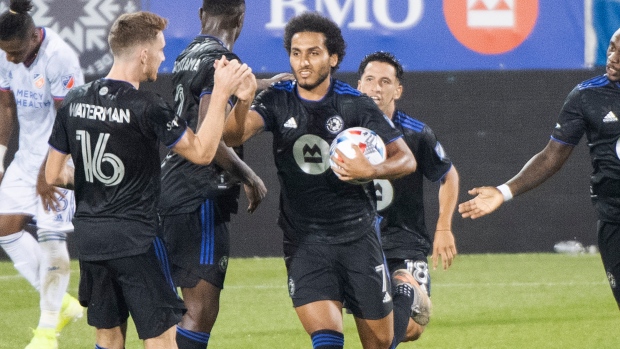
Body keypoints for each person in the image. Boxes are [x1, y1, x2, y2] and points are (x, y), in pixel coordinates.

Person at [44, 11, 253, 349]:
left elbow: (53, 174)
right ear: (143, 54)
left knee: (108, 336)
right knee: (161, 337)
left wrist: (97, 183)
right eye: (160, 49)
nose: (163, 56)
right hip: (137, 238)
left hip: (91, 237)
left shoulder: (74, 100)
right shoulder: (147, 106)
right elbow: (201, 152)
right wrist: (221, 94)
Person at [224, 11, 423, 349]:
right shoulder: (276, 99)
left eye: (313, 53)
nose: (303, 62)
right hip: (305, 242)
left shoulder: (354, 104)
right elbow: (231, 135)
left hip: (358, 238)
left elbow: (406, 159)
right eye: (296, 52)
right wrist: (242, 101)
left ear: (333, 58)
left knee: (381, 343)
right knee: (327, 340)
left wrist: (371, 170)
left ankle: (404, 291)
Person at [158, 1, 291, 347]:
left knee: (174, 311)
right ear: (241, 18)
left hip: (169, 188)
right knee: (199, 311)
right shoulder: (224, 61)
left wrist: (262, 84)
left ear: (203, 15)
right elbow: (208, 136)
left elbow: (209, 94)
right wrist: (251, 177)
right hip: (198, 193)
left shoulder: (187, 54)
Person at [458, 27, 620, 310]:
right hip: (614, 220)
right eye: (612, 48)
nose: (613, 57)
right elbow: (551, 156)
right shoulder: (587, 96)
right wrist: (504, 191)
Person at [357, 51, 459, 340]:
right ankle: (404, 291)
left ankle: (404, 284)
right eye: (370, 80)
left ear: (398, 90)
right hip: (358, 240)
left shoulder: (415, 134)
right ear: (359, 85)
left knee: (412, 329)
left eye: (385, 82)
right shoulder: (345, 129)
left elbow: (448, 175)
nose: (376, 87)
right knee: (376, 331)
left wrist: (444, 227)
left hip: (405, 241)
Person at [0, 0, 84, 347]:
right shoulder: (7, 50)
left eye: (16, 52)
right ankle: (61, 302)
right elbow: (5, 104)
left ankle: (48, 329)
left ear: (35, 37)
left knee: (52, 238)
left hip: (63, 159)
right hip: (26, 157)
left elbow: (71, 120)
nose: (10, 60)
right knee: (5, 230)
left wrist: (48, 172)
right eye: (5, 53)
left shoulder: (59, 57)